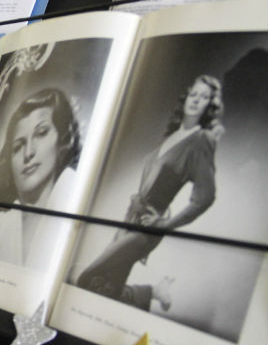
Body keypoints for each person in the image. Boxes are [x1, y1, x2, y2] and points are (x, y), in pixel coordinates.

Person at [76, 75, 224, 312]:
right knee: (104, 287)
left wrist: (164, 223)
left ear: (210, 106)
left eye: (204, 98)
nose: (196, 101)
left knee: (86, 278)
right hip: (130, 217)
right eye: (194, 94)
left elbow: (205, 197)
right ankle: (154, 291)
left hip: (147, 228)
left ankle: (150, 292)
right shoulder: (173, 135)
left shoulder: (200, 141)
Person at [0, 88, 81, 267]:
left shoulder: (77, 196)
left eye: (41, 133)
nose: (28, 152)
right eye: (18, 146)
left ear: (61, 140)